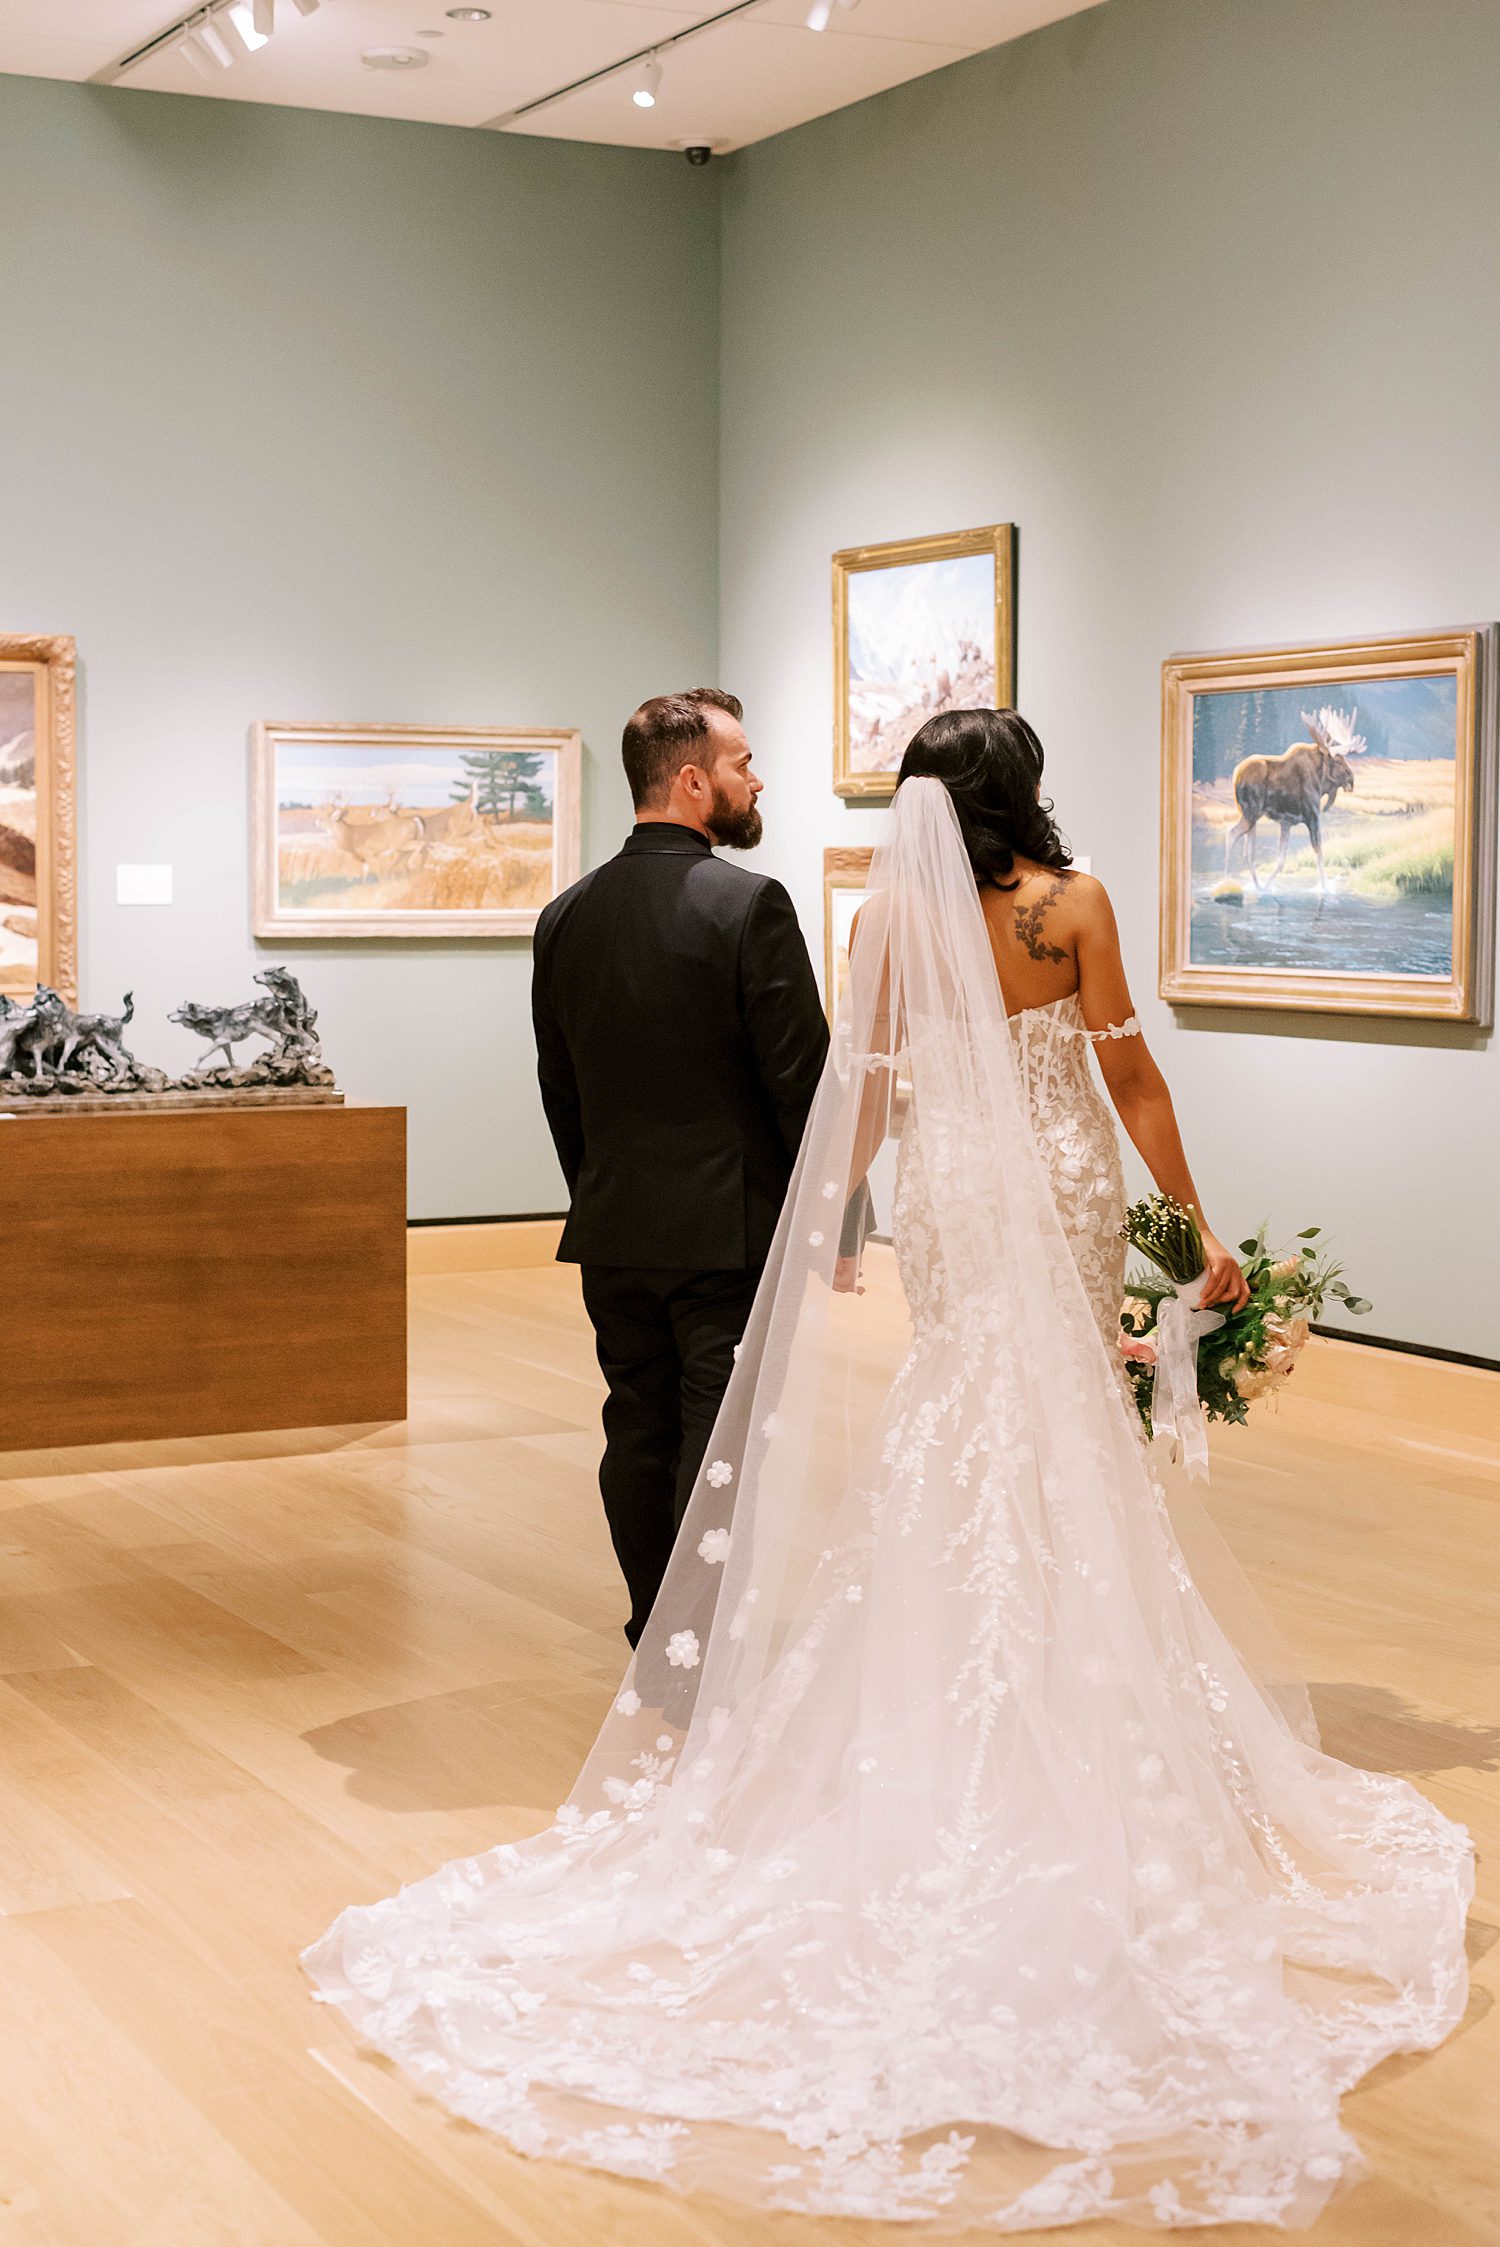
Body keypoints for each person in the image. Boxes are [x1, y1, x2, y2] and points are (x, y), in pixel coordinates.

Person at [306, 711, 1470, 2233]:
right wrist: (1201, 1225)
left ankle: (955, 1689)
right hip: (1054, 1184)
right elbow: (1130, 1084)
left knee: (968, 1403)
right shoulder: (1073, 906)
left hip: (957, 1198)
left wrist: (826, 1226)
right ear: (1024, 786)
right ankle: (1067, 1684)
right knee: (1051, 1418)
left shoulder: (896, 923)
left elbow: (858, 1098)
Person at [530, 687, 828, 1648]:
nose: (758, 777)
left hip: (614, 1227)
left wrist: (600, 1189)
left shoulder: (564, 915)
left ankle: (652, 1630)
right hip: (727, 1232)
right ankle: (700, 1640)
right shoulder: (751, 904)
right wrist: (823, 1227)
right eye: (744, 762)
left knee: (638, 1427)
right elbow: (805, 1089)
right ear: (695, 781)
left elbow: (560, 1088)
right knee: (719, 1436)